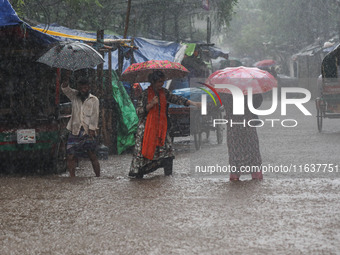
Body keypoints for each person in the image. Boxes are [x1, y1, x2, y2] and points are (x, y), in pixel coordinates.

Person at [129, 70, 201, 178]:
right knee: (144, 153)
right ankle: (139, 174)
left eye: (162, 81)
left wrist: (193, 103)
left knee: (168, 154)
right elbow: (139, 112)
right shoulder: (144, 95)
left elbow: (177, 99)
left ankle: (168, 177)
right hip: (146, 129)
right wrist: (151, 104)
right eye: (159, 82)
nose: (161, 84)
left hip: (162, 127)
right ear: (153, 82)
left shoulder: (164, 93)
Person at [61, 76, 100, 177]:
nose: (84, 90)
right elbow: (65, 89)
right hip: (75, 130)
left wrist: (92, 129)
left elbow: (95, 115)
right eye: (82, 88)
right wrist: (66, 79)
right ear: (78, 88)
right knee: (70, 155)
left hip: (88, 131)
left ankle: (98, 177)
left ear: (89, 87)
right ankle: (72, 177)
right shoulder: (74, 96)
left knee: (92, 155)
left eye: (85, 88)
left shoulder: (94, 100)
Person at [221, 93, 263, 181]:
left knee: (235, 151)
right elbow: (257, 103)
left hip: (233, 127)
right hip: (248, 124)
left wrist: (193, 103)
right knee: (252, 150)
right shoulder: (249, 90)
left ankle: (235, 176)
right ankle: (256, 175)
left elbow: (214, 104)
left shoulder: (225, 92)